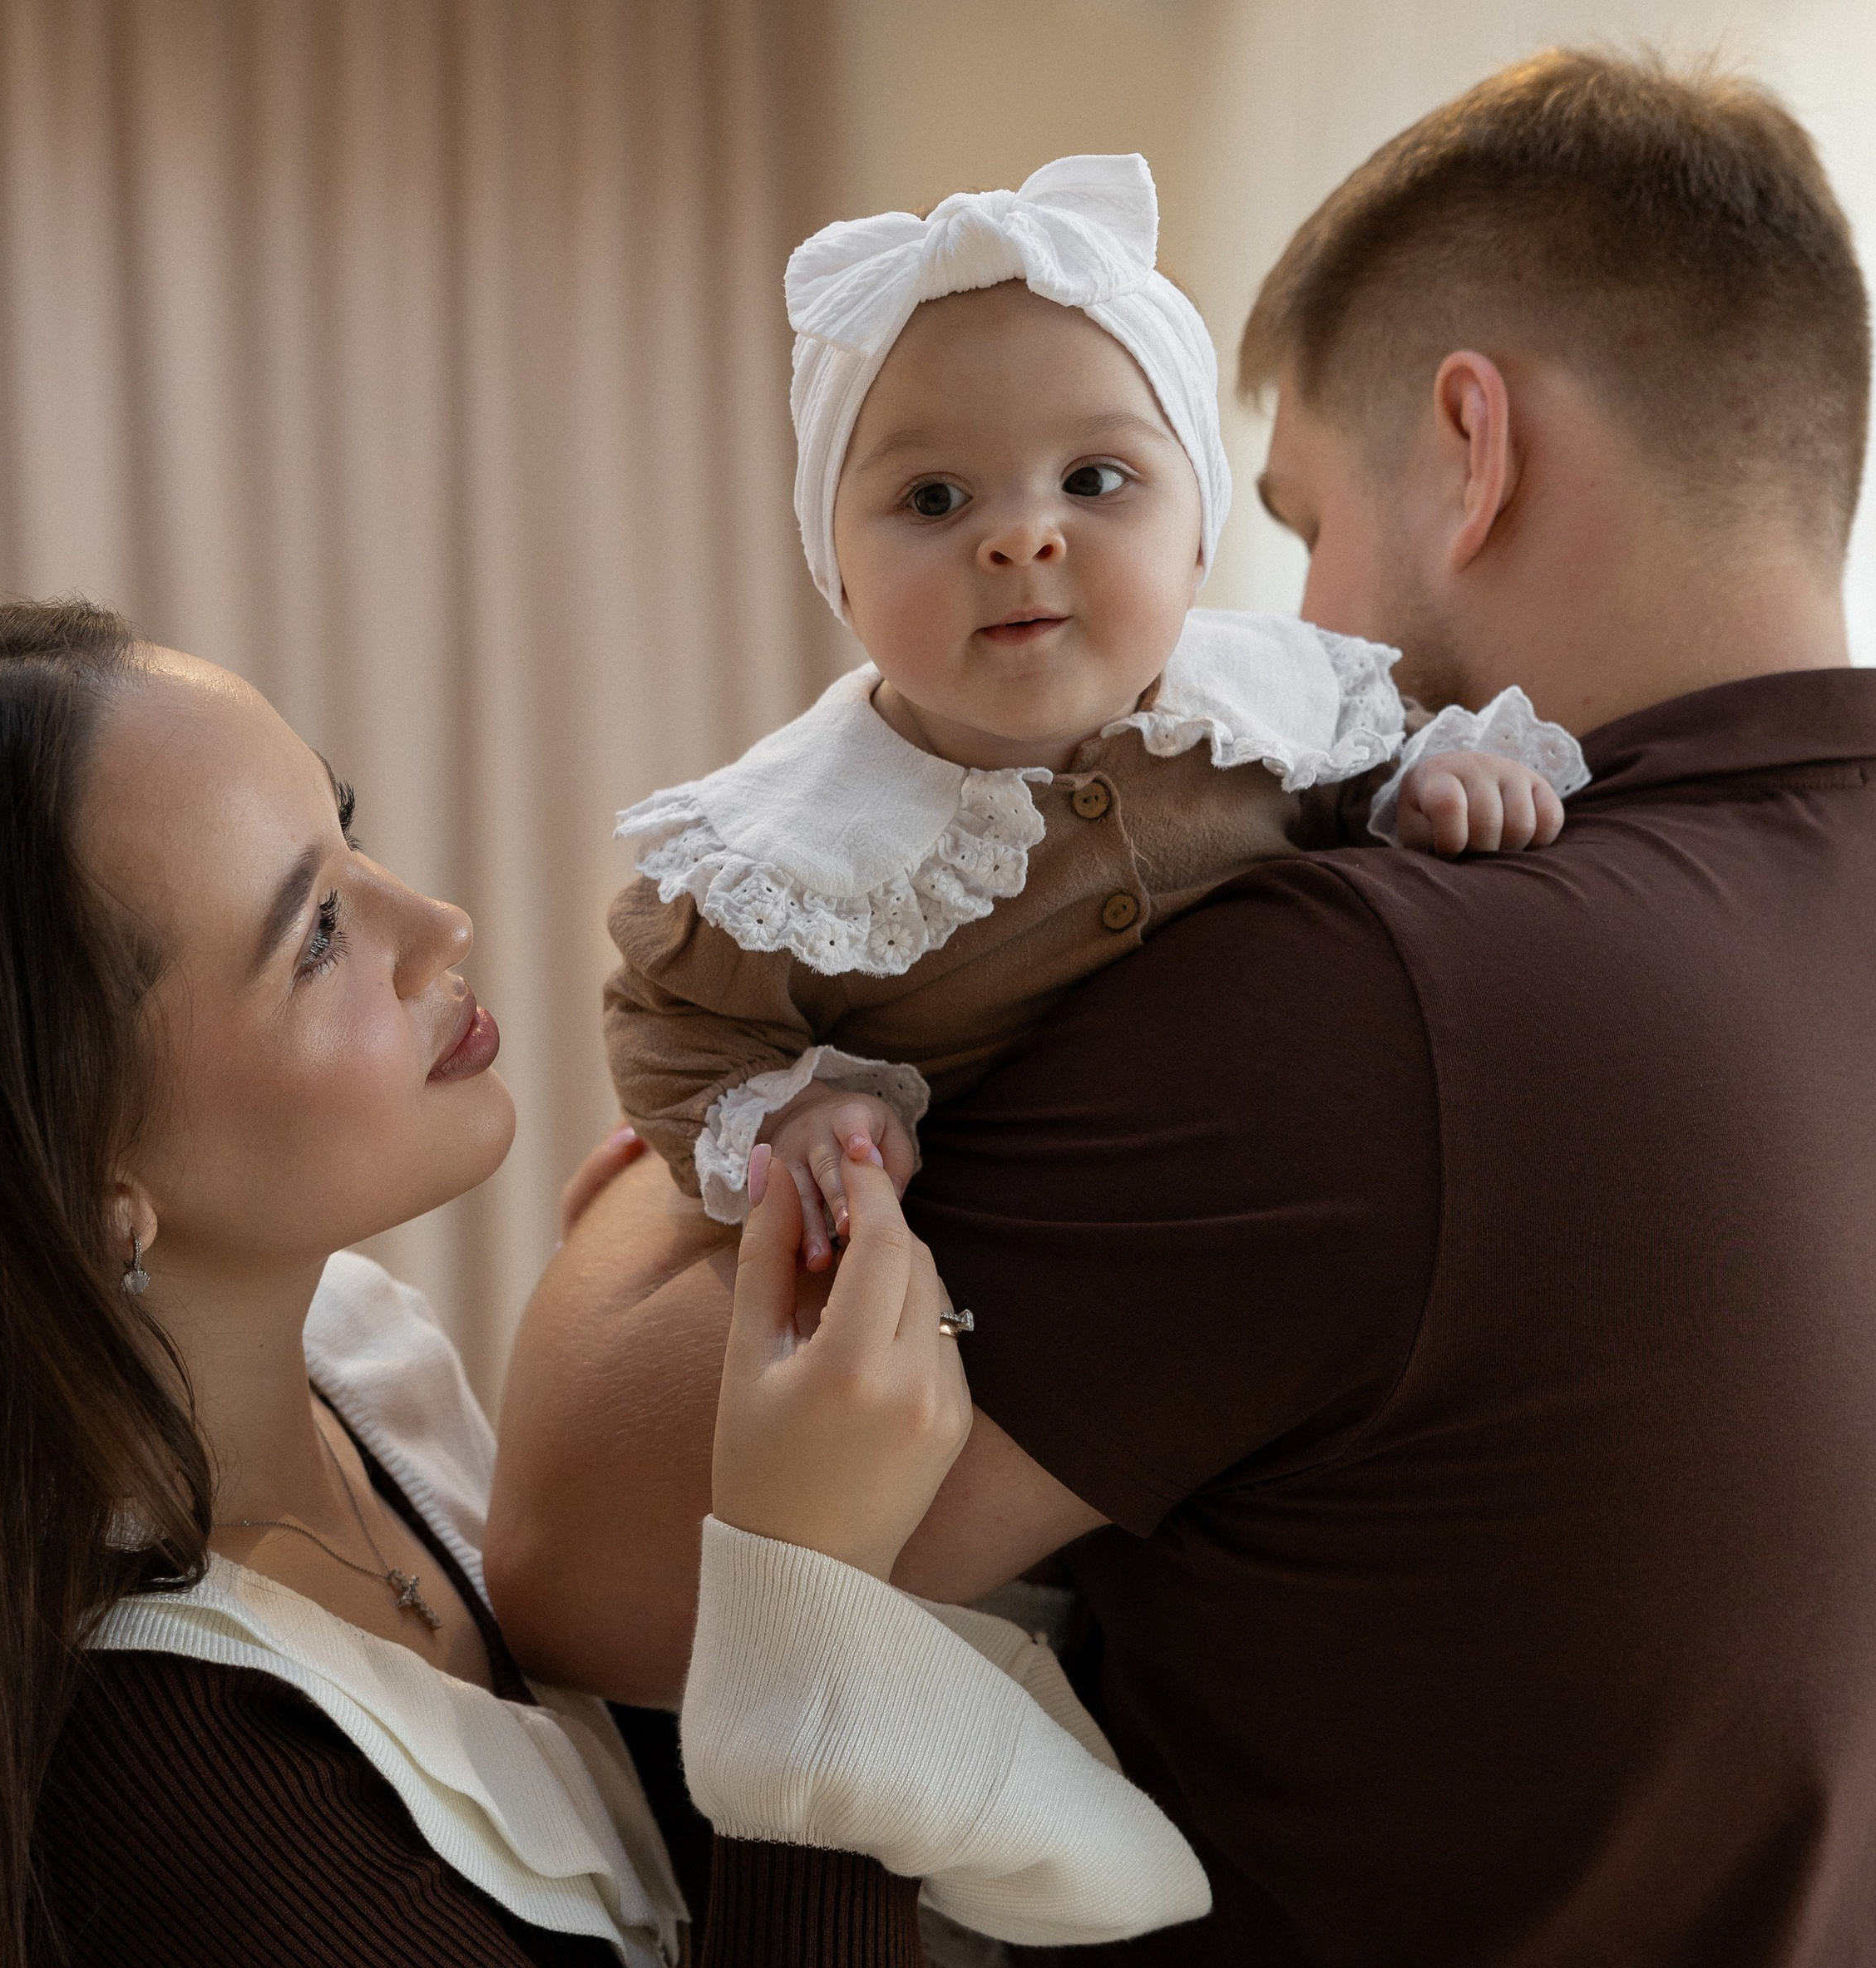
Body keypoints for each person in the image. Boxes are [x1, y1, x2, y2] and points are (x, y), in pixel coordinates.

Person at [488, 51, 1876, 1968]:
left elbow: (600, 1535)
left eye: (1282, 518)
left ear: (1471, 447)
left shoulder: (1378, 1002)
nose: (1276, 614)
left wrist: (768, 1082)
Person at [0, 597, 1205, 1968]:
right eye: (313, 933)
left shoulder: (354, 1396)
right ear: (86, 1183)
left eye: (347, 837)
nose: (437, 925)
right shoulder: (140, 1770)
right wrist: (805, 1587)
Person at [605, 152, 1582, 1270]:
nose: (1023, 538)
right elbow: (671, 1024)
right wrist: (788, 1118)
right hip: (1000, 1292)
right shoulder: (790, 842)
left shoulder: (1274, 700)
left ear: (1201, 535)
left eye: (1095, 480)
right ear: (836, 568)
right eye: (933, 497)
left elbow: (1366, 765)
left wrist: (1434, 786)